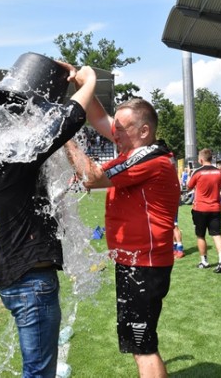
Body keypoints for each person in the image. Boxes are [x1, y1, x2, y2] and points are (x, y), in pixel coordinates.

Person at [0, 54, 97, 377]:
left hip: (20, 279)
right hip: (32, 284)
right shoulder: (15, 159)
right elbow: (69, 120)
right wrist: (88, 82)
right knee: (38, 373)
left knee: (37, 369)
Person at [64, 97, 180, 378]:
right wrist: (85, 85)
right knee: (138, 344)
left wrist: (65, 134)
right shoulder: (132, 154)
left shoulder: (149, 158)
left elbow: (91, 177)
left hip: (144, 265)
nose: (114, 132)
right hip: (135, 263)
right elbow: (101, 119)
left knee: (144, 348)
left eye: (122, 128)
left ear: (143, 131)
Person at [188, 148, 221, 273]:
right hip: (215, 208)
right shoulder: (219, 172)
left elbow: (189, 186)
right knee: (216, 235)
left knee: (200, 235)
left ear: (200, 159)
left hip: (200, 208)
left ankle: (204, 261)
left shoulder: (197, 172)